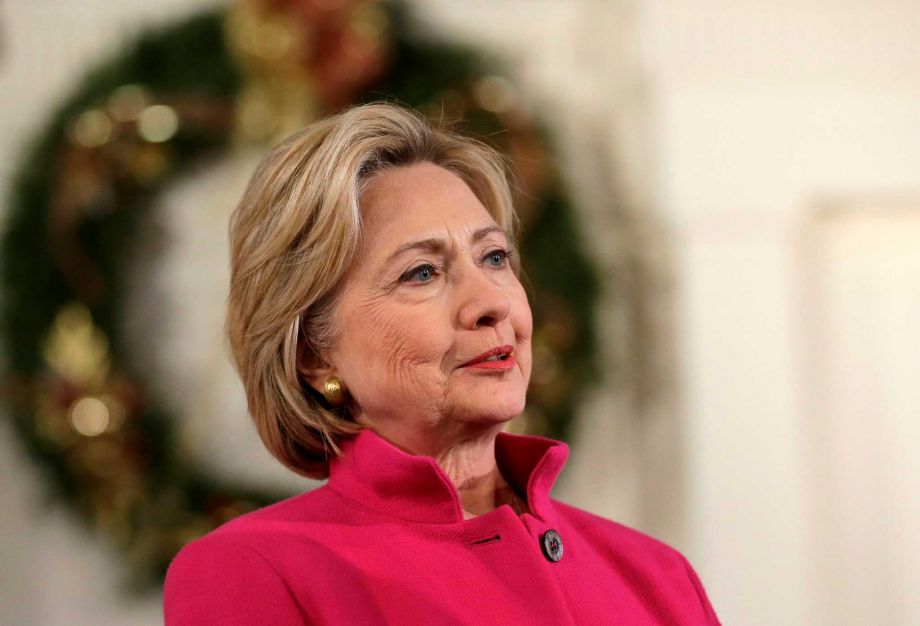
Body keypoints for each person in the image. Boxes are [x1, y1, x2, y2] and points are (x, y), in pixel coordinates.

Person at [163, 102, 721, 625]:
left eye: (494, 257)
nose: (493, 302)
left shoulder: (659, 577)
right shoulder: (253, 572)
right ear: (312, 354)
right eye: (422, 272)